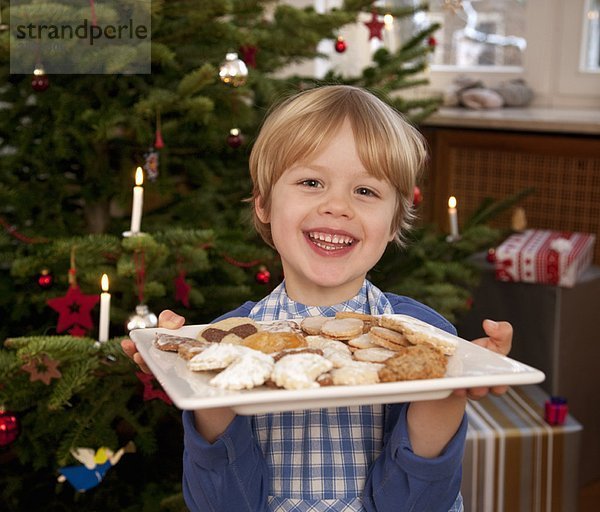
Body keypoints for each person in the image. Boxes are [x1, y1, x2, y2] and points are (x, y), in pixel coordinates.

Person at [122, 85, 512, 512]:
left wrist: (447, 390)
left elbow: (419, 505)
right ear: (264, 205)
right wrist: (198, 378)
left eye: (365, 191)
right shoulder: (228, 340)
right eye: (311, 182)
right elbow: (221, 504)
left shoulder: (426, 339)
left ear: (395, 220)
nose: (337, 207)